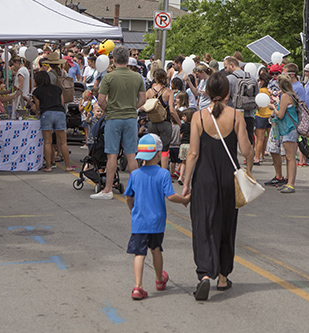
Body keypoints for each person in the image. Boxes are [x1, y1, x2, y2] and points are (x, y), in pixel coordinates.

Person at [182, 70, 253, 300]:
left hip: (204, 179)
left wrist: (186, 182)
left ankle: (204, 274)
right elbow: (246, 149)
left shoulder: (198, 117)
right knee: (225, 226)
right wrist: (249, 170)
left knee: (203, 226)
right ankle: (223, 277)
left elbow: (193, 153)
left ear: (207, 92)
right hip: (227, 179)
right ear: (228, 92)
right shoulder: (236, 117)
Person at [125, 133, 190, 300]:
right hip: (156, 221)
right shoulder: (163, 174)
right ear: (158, 153)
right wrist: (184, 199)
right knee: (156, 249)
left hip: (139, 221)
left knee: (139, 253)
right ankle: (159, 279)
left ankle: (138, 287)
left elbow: (128, 196)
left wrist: (132, 209)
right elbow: (170, 196)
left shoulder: (135, 174)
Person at [93, 45, 147, 199]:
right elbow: (143, 99)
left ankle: (108, 190)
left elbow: (101, 99)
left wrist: (108, 109)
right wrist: (132, 107)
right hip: (130, 118)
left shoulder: (109, 77)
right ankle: (136, 190)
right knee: (131, 155)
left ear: (114, 59)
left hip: (114, 118)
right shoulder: (137, 77)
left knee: (112, 155)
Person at [29, 69, 72, 172]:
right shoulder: (57, 89)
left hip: (46, 114)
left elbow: (38, 107)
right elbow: (62, 103)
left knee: (47, 142)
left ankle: (48, 167)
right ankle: (68, 166)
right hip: (59, 113)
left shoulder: (36, 91)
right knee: (63, 143)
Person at [265, 74, 301, 193]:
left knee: (290, 157)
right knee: (289, 157)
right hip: (288, 128)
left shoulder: (285, 96)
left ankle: (290, 184)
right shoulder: (291, 95)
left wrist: (273, 107)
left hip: (288, 129)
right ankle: (289, 182)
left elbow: (280, 115)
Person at [224, 56, 256, 164]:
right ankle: (249, 170)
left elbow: (226, 97)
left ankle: (233, 166)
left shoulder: (229, 79)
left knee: (231, 143)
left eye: (226, 67)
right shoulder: (252, 77)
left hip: (233, 115)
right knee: (248, 143)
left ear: (232, 65)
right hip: (249, 115)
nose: (225, 70)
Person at [254, 70, 272, 168]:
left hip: (261, 116)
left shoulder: (260, 91)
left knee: (259, 139)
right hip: (270, 115)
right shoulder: (270, 91)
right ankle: (274, 158)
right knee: (271, 138)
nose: (259, 82)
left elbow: (258, 105)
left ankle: (257, 157)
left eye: (261, 80)